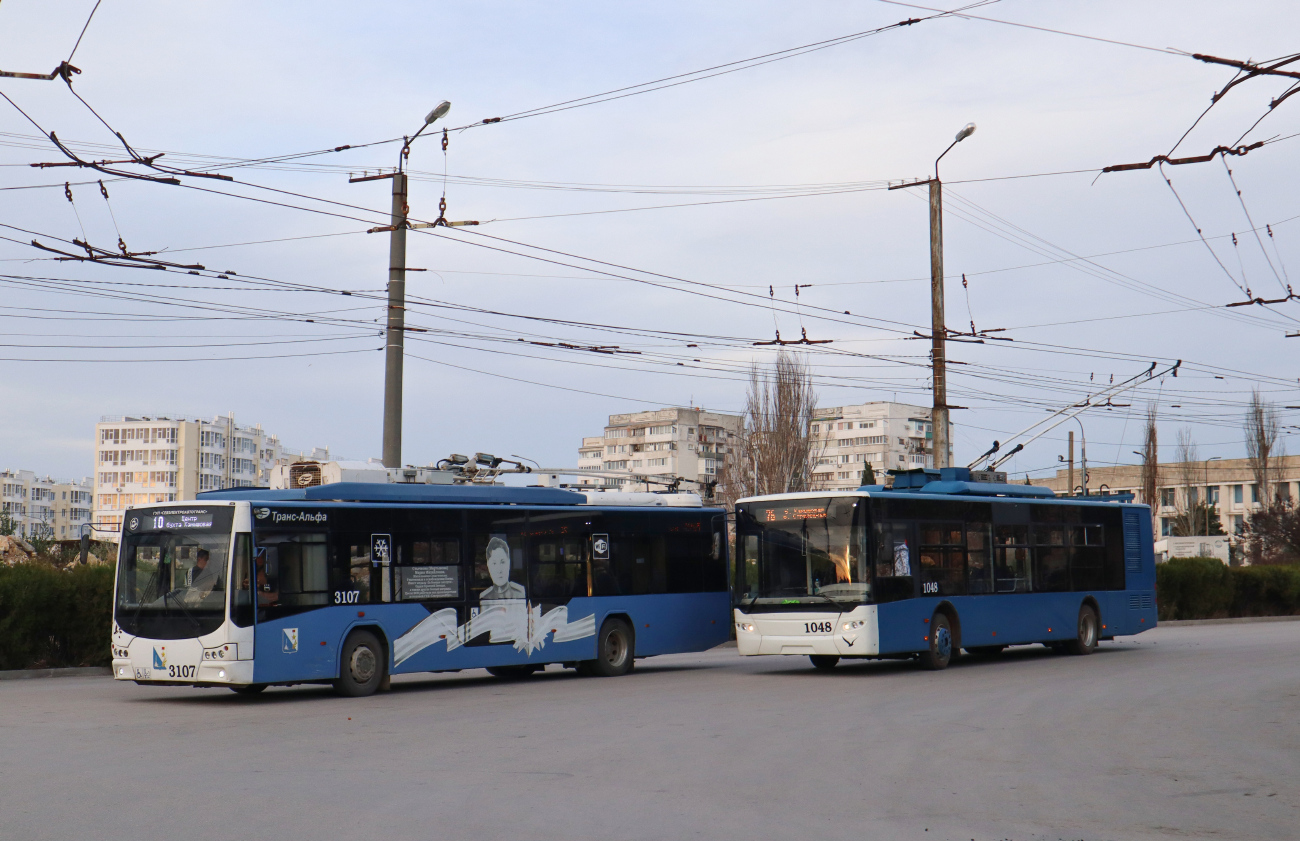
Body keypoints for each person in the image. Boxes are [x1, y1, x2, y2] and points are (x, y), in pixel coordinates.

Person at [478, 537, 525, 601]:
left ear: (509, 563)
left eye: (502, 562)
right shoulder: (484, 597)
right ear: (488, 565)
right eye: (494, 563)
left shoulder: (520, 593)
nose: (499, 570)